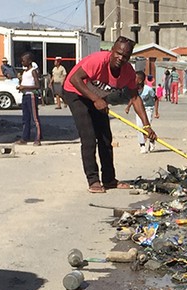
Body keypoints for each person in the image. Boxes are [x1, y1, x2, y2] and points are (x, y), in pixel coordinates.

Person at [62, 36, 157, 193]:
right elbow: (74, 79)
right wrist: (95, 99)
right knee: (89, 137)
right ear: (112, 50)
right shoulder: (98, 61)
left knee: (106, 137)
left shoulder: (128, 72)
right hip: (75, 92)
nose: (120, 58)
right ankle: (93, 181)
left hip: (96, 96)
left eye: (125, 56)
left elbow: (135, 98)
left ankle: (109, 180)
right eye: (118, 53)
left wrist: (147, 126)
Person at [125, 70, 159, 154]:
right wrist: (128, 107)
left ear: (140, 80)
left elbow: (156, 99)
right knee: (139, 126)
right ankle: (142, 145)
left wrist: (156, 112)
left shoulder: (148, 89)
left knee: (146, 126)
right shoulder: (134, 89)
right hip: (139, 109)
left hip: (148, 109)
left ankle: (151, 140)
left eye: (135, 79)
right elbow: (134, 99)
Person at [15, 52, 42, 145]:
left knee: (35, 118)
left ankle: (38, 138)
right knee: (25, 118)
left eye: (24, 60)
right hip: (25, 96)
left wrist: (25, 87)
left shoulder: (33, 71)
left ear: (29, 61)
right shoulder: (25, 72)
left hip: (31, 95)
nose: (22, 62)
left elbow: (37, 85)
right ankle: (25, 138)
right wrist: (20, 87)